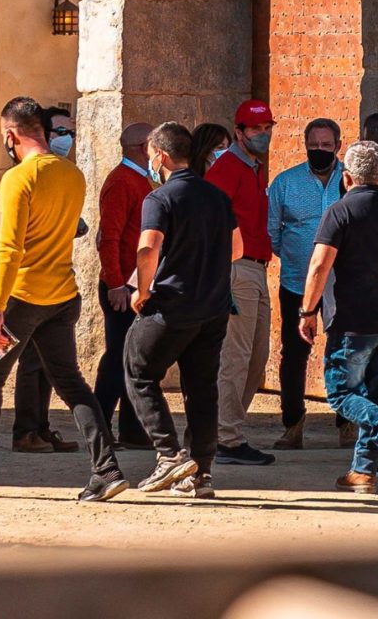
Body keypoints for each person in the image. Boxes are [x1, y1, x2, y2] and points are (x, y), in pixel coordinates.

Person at [0, 97, 126, 502]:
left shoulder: (18, 179)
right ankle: (106, 469)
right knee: (71, 383)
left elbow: (10, 249)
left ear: (11, 135)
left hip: (21, 301)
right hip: (62, 296)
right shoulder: (72, 174)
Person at [296, 140, 378, 494]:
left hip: (352, 321)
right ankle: (362, 470)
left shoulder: (339, 212)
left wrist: (307, 311)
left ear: (347, 177)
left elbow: (319, 265)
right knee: (374, 393)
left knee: (341, 394)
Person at [126, 120, 240, 500]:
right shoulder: (217, 196)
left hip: (173, 305)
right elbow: (237, 248)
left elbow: (147, 248)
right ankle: (201, 474)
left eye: (150, 154)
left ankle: (169, 454)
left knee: (139, 371)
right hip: (214, 308)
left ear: (160, 155)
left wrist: (142, 290)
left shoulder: (159, 199)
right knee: (202, 387)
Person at [203, 99, 278, 467]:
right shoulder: (227, 169)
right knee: (236, 356)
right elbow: (209, 222)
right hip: (236, 269)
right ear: (239, 131)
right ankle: (225, 438)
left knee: (256, 356)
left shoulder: (254, 168)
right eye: (255, 129)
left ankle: (225, 429)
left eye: (267, 128)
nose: (263, 135)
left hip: (257, 268)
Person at [11, 104, 85, 454]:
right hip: (27, 287)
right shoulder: (26, 175)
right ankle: (26, 430)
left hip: (57, 287)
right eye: (60, 132)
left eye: (71, 133)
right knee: (26, 364)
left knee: (45, 366)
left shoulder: (66, 174)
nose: (66, 139)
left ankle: (40, 427)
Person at [266, 117, 344, 450]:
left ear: (338, 146)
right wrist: (297, 256)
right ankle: (293, 424)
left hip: (343, 283)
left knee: (343, 351)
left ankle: (347, 423)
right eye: (313, 146)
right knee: (295, 353)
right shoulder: (285, 183)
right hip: (297, 281)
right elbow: (273, 232)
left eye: (326, 145)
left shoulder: (350, 181)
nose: (319, 151)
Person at [92, 120, 156, 451]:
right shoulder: (122, 181)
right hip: (123, 287)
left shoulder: (139, 179)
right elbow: (110, 237)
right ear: (145, 148)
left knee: (135, 359)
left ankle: (131, 429)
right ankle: (100, 426)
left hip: (136, 285)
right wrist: (116, 283)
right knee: (118, 358)